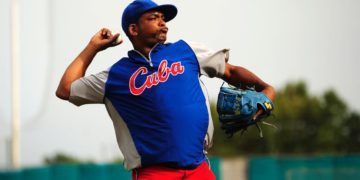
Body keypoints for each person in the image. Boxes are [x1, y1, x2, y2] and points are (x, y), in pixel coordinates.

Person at [56, 0, 275, 179]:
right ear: (133, 29)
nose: (163, 24)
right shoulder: (115, 76)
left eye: (164, 18)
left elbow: (231, 72)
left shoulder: (186, 51)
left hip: (198, 167)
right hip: (154, 172)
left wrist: (266, 89)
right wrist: (93, 47)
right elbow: (65, 90)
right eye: (154, 18)